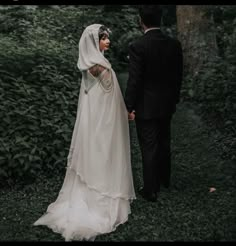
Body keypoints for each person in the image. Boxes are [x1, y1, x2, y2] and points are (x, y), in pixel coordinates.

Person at [33, 24, 136, 241]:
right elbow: (108, 95)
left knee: (98, 153)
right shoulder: (97, 65)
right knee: (102, 153)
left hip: (99, 117)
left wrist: (124, 111)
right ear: (93, 41)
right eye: (104, 38)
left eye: (108, 38)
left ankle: (97, 190)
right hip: (103, 119)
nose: (108, 41)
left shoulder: (91, 63)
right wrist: (123, 112)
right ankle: (101, 197)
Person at [125, 5, 183, 202]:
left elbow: (135, 80)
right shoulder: (174, 45)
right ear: (160, 19)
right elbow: (178, 77)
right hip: (166, 104)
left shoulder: (137, 46)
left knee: (149, 146)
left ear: (141, 20)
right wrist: (174, 99)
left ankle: (151, 189)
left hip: (146, 105)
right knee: (164, 141)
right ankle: (164, 179)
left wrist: (128, 105)